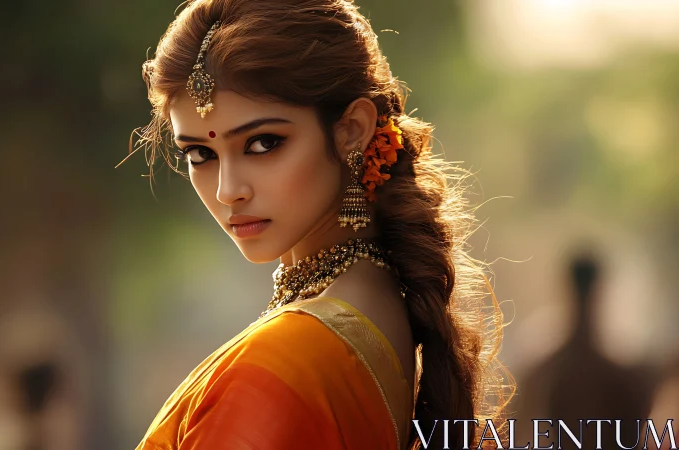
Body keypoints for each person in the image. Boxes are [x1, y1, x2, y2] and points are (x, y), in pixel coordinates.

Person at [125, 1, 511, 448]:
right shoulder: (375, 303)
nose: (228, 191)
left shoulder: (293, 354)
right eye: (200, 154)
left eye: (263, 143)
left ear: (352, 130)